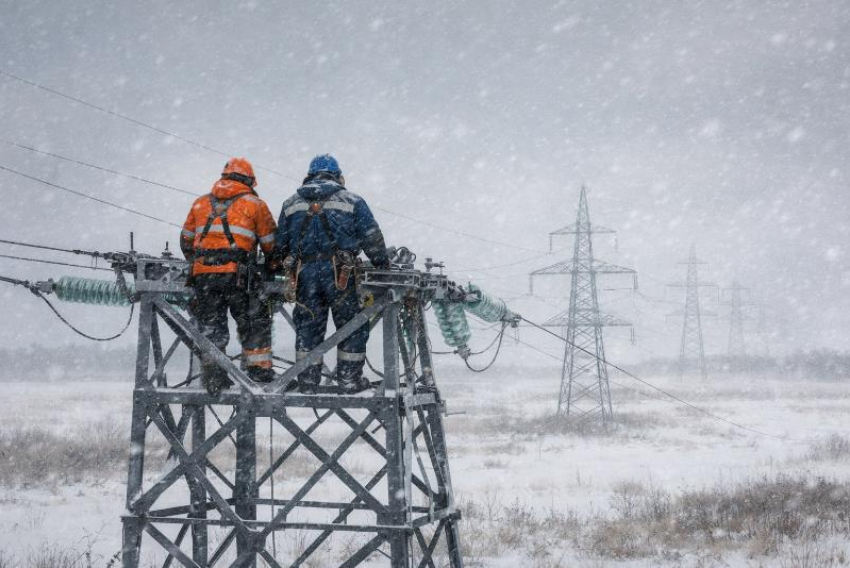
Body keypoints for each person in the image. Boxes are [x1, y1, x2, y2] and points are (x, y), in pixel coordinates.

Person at [273, 154, 390, 393]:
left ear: (309, 175)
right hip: (340, 275)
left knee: (308, 325)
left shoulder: (291, 203)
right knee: (352, 324)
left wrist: (275, 266)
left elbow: (279, 245)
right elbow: (372, 237)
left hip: (304, 275)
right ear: (337, 176)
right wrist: (382, 264)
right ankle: (348, 379)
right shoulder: (352, 200)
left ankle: (307, 380)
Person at [180, 157, 278, 394]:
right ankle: (259, 372)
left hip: (204, 277)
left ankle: (214, 376)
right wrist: (271, 269)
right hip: (237, 278)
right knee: (254, 322)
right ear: (249, 180)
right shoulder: (255, 205)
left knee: (212, 326)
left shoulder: (200, 204)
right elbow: (271, 246)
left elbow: (186, 241)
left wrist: (202, 264)